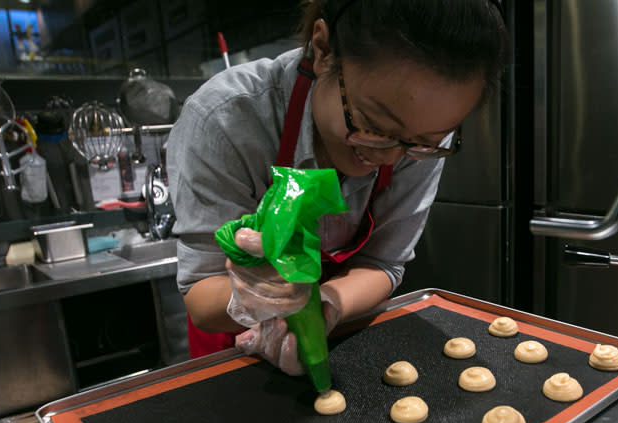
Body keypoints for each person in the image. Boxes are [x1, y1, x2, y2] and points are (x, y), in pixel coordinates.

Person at [167, 0, 509, 373]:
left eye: (424, 142)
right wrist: (258, 299)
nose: (392, 159)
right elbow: (202, 294)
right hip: (232, 354)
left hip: (338, 340)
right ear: (324, 51)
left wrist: (325, 306)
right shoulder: (227, 120)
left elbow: (383, 263)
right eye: (374, 126)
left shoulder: (416, 138)